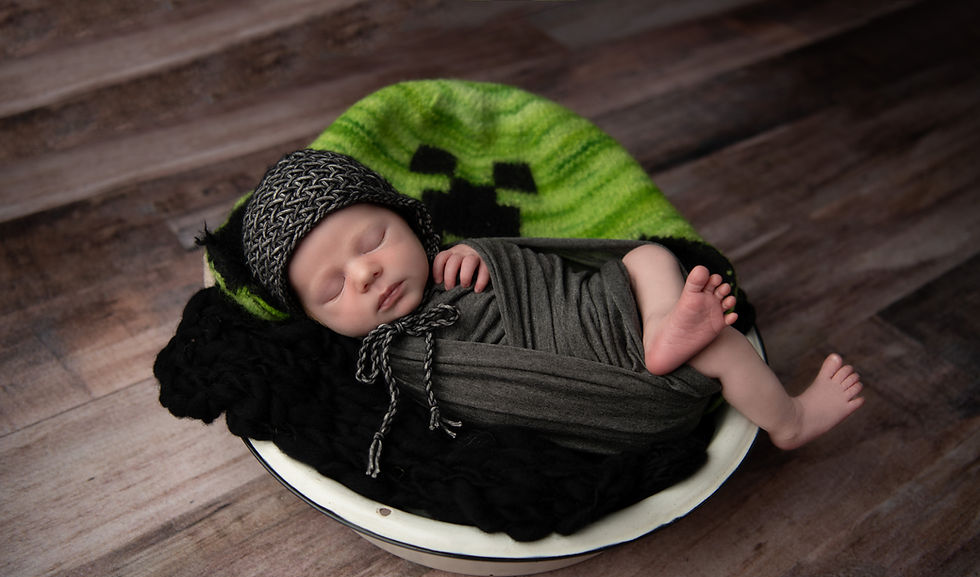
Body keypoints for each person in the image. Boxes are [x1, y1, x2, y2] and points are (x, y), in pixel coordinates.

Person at [243, 149, 864, 474]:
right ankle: (789, 420)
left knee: (648, 255)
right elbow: (477, 402)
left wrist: (486, 256)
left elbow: (541, 270)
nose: (364, 274)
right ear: (317, 323)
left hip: (595, 313)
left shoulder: (451, 260)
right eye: (333, 290)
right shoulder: (390, 362)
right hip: (587, 378)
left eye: (374, 240)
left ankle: (662, 327)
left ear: (410, 222)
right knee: (719, 347)